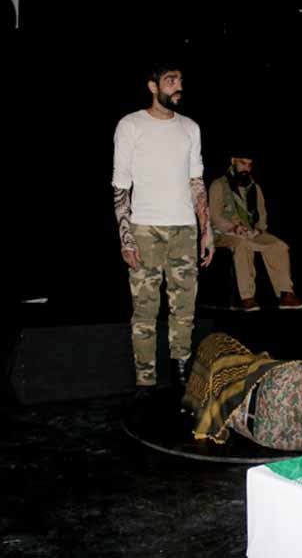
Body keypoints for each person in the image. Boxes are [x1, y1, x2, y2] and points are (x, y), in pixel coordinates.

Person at [112, 59, 214, 388]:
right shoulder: (130, 125)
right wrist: (126, 237)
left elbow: (196, 181)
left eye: (180, 80)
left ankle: (181, 380)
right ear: (153, 86)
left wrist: (206, 230)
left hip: (184, 229)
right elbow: (121, 186)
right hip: (145, 229)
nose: (178, 86)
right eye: (171, 80)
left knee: (184, 309)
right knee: (145, 310)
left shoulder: (190, 127)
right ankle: (145, 383)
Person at [208, 151, 302, 311]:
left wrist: (258, 230)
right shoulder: (218, 185)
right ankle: (246, 297)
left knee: (279, 246)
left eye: (249, 165)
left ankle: (286, 294)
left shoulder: (255, 188)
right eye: (242, 163)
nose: (246, 168)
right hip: (223, 234)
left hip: (249, 233)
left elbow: (262, 216)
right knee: (242, 245)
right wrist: (233, 228)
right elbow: (214, 216)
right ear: (233, 161)